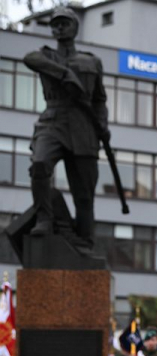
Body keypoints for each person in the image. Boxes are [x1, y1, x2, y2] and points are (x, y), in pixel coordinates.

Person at [22, 7, 109, 247]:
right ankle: (44, 218)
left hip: (84, 127)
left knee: (84, 194)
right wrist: (64, 74)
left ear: (75, 27)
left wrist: (103, 126)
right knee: (40, 163)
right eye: (55, 24)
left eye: (65, 23)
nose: (60, 28)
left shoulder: (92, 61)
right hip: (53, 120)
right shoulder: (46, 55)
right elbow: (30, 59)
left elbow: (99, 100)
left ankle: (85, 238)